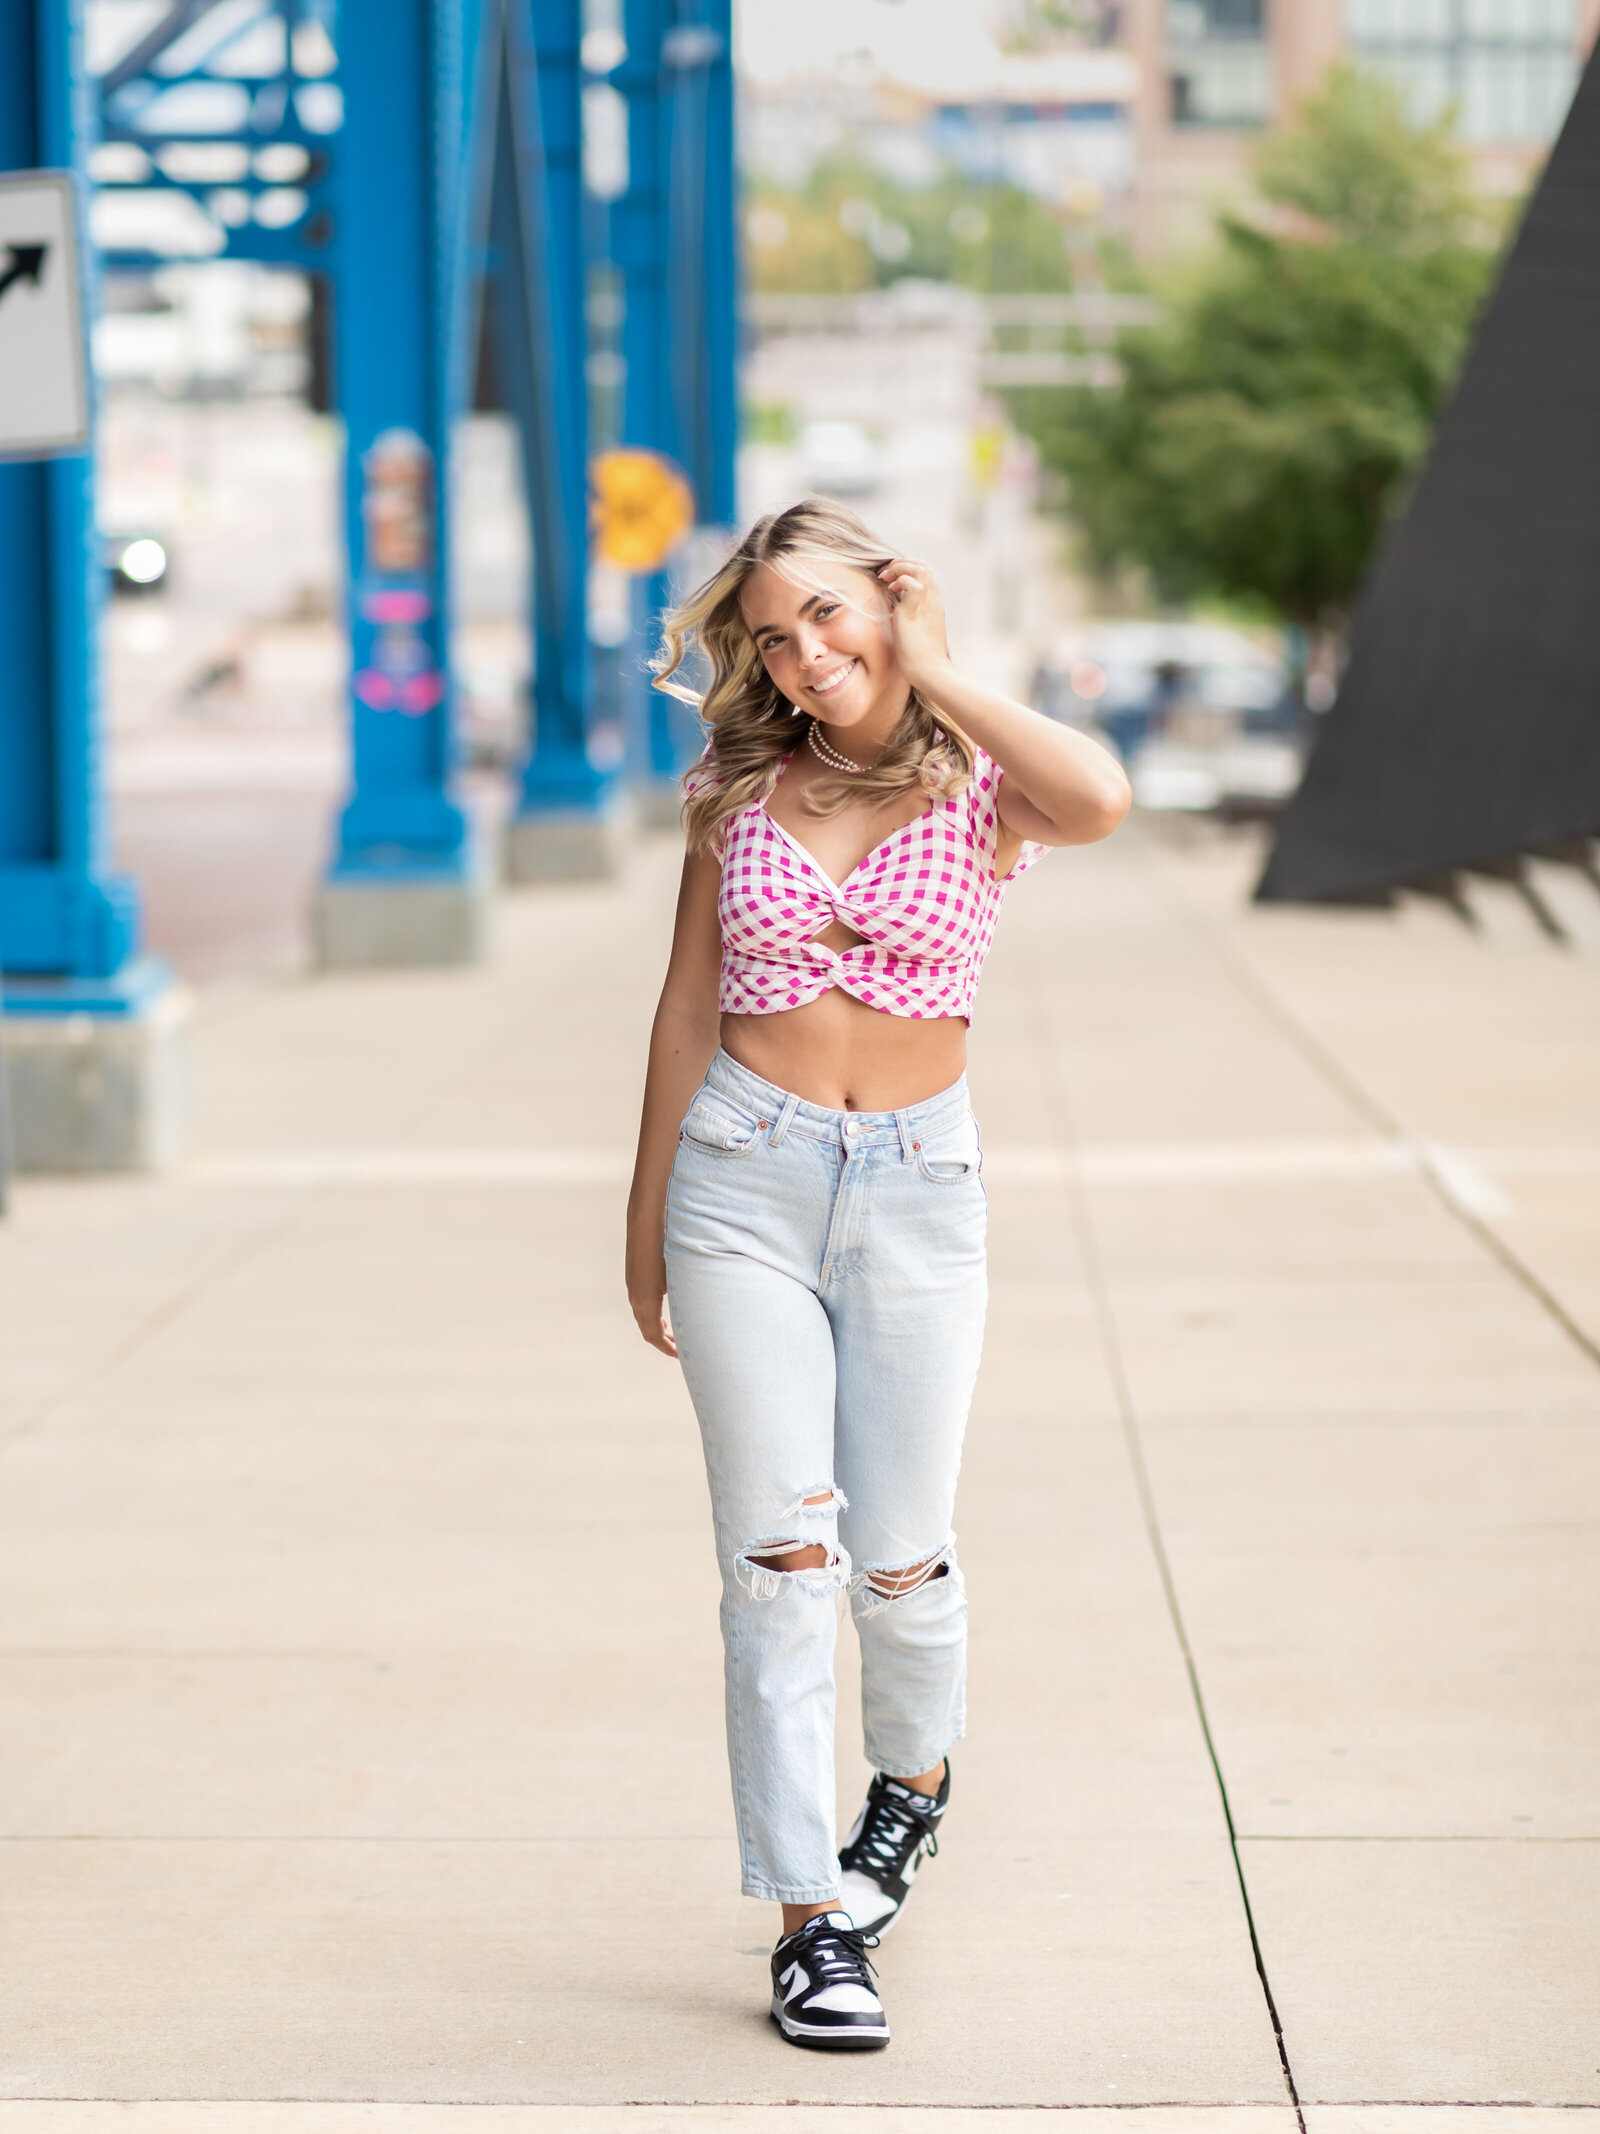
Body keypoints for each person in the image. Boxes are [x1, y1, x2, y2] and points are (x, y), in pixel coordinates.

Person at [625, 497, 1130, 2052]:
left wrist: (932, 660)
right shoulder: (736, 783)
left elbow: (1102, 795)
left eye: (829, 618)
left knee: (898, 1557)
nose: (803, 654)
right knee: (781, 1565)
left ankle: (911, 1780)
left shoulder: (985, 784)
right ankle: (809, 1921)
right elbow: (683, 1002)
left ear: (889, 608)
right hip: (744, 1181)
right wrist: (644, 1219)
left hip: (918, 1188)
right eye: (775, 634)